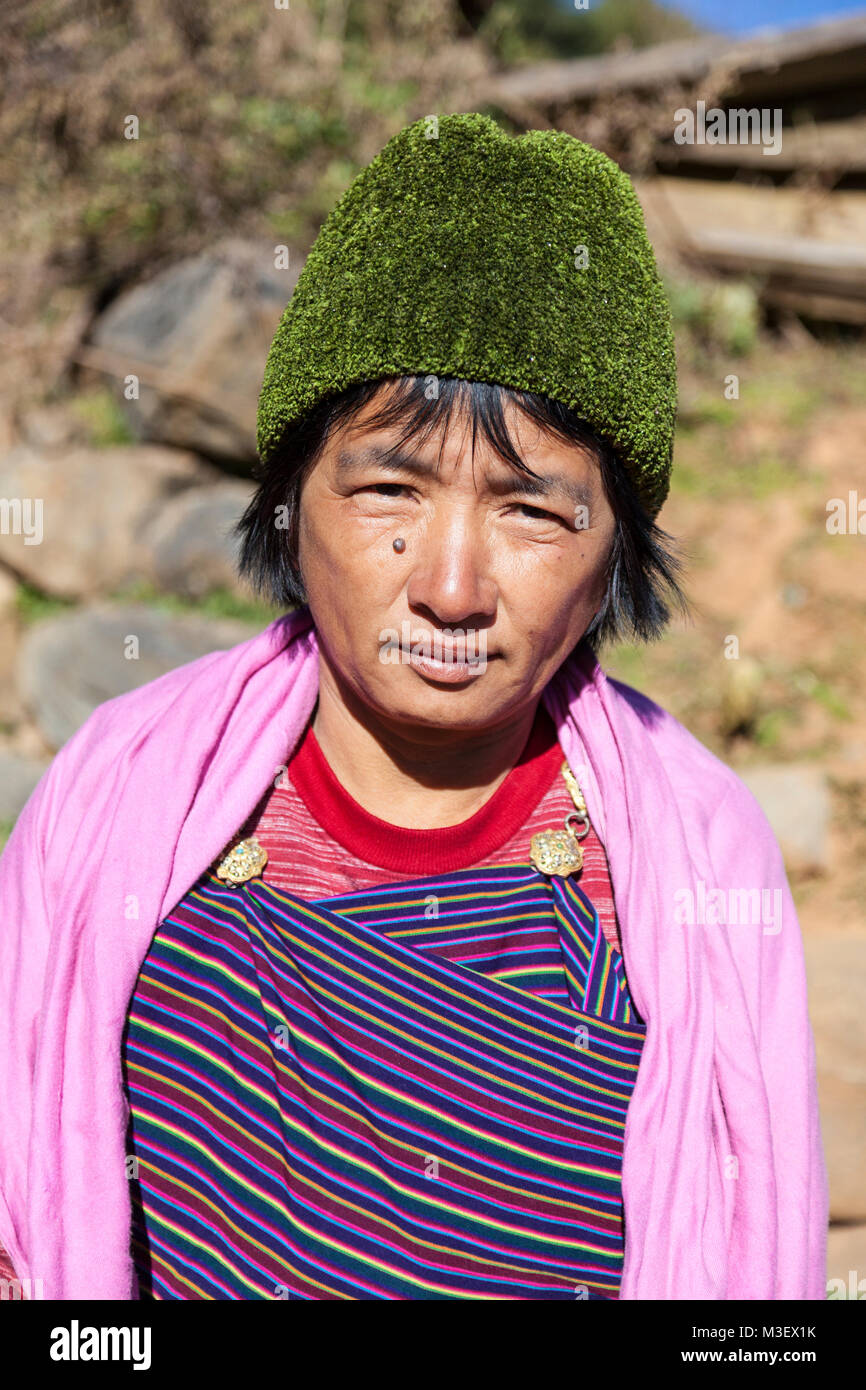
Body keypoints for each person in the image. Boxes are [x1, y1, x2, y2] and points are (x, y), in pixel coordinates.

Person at [0, 113, 828, 1301]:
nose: (448, 586)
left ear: (613, 557)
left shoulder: (694, 856)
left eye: (531, 512)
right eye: (389, 486)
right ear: (290, 500)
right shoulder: (119, 795)